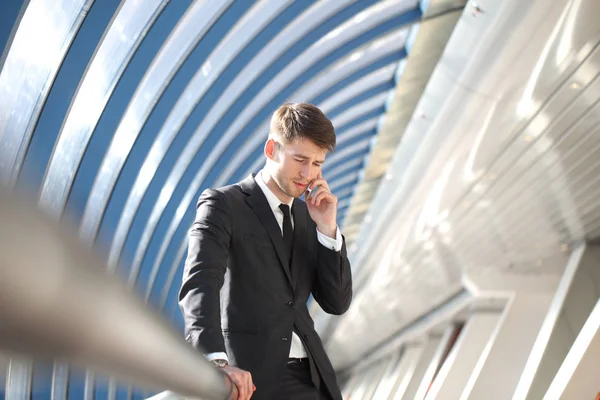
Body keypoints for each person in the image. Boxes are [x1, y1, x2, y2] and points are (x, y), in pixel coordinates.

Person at [179, 103, 353, 400]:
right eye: (300, 159)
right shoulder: (224, 204)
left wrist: (327, 228)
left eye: (317, 163)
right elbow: (200, 283)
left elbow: (336, 302)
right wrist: (215, 362)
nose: (308, 173)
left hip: (314, 378)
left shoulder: (307, 217)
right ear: (271, 149)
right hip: (255, 378)